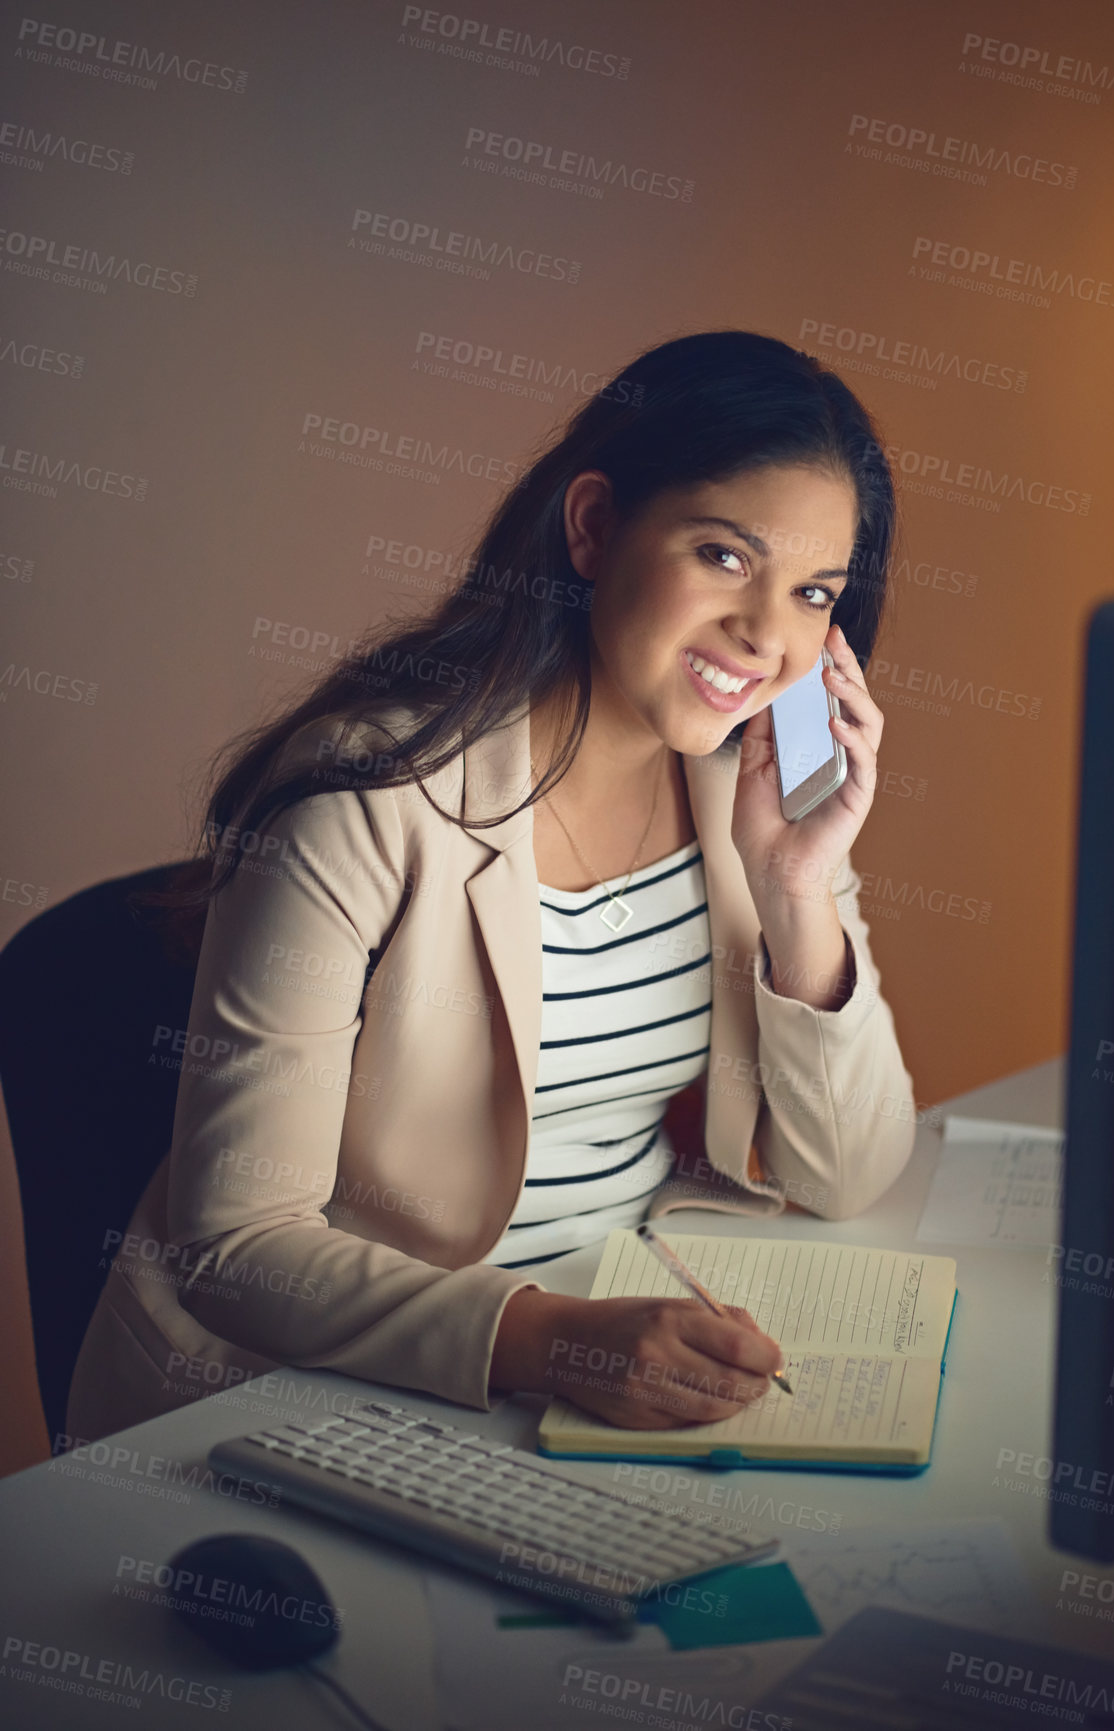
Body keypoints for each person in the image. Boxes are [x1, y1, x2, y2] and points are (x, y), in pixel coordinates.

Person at [67, 330, 916, 1443]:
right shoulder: (365, 798)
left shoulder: (751, 797)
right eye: (724, 557)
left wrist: (799, 888)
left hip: (601, 1352)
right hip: (315, 1388)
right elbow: (236, 1245)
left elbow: (849, 1175)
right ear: (595, 526)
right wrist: (553, 1338)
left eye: (815, 593)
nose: (768, 636)